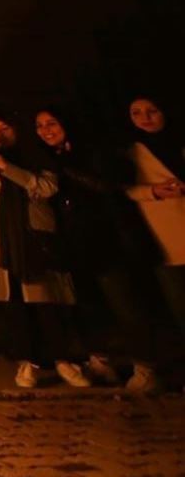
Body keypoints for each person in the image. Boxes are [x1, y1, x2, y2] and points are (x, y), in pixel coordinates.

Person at [35, 107, 158, 391]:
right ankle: (102, 361)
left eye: (51, 122)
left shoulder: (90, 153)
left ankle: (146, 366)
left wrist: (65, 171)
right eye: (40, 125)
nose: (46, 130)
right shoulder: (46, 159)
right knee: (90, 307)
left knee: (125, 304)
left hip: (106, 239)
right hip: (74, 243)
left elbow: (107, 186)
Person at [0, 111, 86, 388]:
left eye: (4, 128)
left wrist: (6, 166)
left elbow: (46, 187)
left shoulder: (33, 155)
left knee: (43, 296)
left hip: (31, 230)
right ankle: (25, 362)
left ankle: (62, 359)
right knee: (13, 299)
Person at [122, 96, 185, 345]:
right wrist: (153, 191)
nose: (144, 118)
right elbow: (122, 188)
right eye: (136, 112)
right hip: (162, 236)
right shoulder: (130, 151)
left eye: (152, 111)